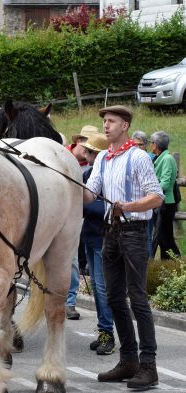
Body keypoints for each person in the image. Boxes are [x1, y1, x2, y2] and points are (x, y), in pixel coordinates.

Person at [84, 105, 163, 390]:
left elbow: (156, 197)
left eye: (111, 121)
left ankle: (148, 366)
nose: (106, 126)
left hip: (134, 232)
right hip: (111, 234)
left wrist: (127, 206)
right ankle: (128, 360)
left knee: (138, 299)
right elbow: (90, 193)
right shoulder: (103, 157)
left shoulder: (139, 157)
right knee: (114, 299)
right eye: (104, 121)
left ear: (125, 125)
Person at [79, 133, 116, 355]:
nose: (86, 154)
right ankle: (103, 329)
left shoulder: (106, 175)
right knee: (97, 288)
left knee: (103, 289)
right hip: (90, 237)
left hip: (103, 238)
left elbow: (103, 208)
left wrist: (81, 205)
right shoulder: (87, 173)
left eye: (91, 151)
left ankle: (108, 334)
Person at [65, 125, 99, 320]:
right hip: (57, 217)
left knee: (73, 262)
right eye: (89, 144)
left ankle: (69, 302)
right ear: (79, 141)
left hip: (80, 220)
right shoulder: (61, 156)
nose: (92, 151)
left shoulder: (91, 165)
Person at [151, 131, 181, 260]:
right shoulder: (158, 157)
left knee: (166, 238)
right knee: (162, 239)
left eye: (151, 142)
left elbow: (166, 184)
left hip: (166, 203)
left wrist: (149, 189)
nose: (150, 145)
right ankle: (166, 265)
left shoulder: (167, 159)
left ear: (156, 145)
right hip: (160, 202)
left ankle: (178, 264)